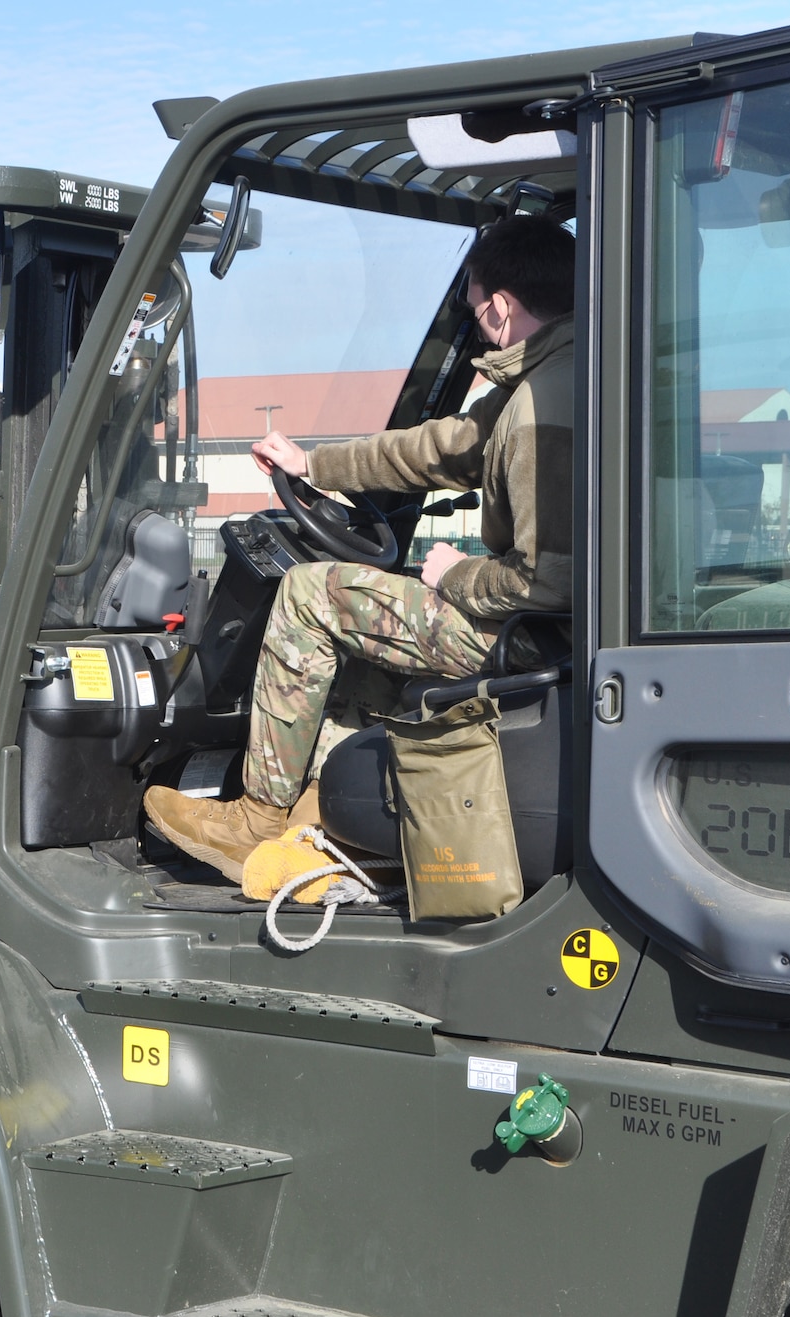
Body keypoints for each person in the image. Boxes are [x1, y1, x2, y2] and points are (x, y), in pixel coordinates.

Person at [146, 214, 576, 881]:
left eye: (473, 309)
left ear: (499, 307)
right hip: (539, 627)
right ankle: (323, 809)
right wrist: (314, 466)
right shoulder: (559, 372)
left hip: (528, 632)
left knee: (311, 595)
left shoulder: (539, 408)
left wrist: (457, 574)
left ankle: (256, 818)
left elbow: (546, 582)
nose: (475, 322)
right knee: (373, 612)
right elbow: (440, 446)